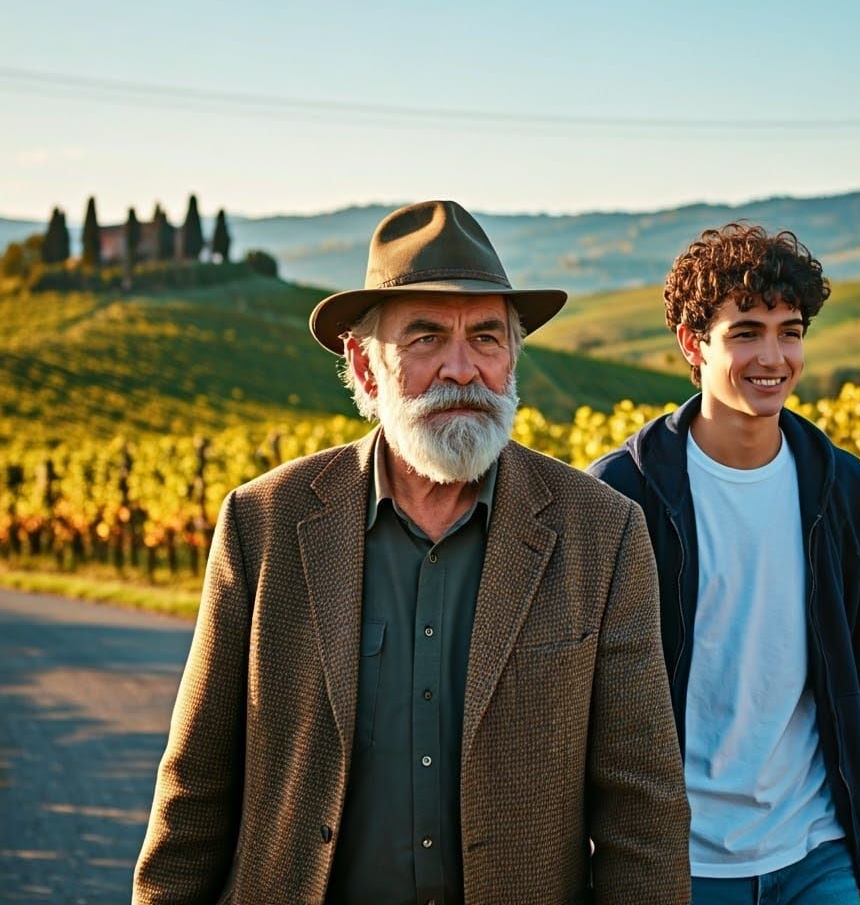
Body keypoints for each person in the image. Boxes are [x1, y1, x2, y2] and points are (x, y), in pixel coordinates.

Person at [133, 200, 690, 905]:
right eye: (426, 339)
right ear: (364, 367)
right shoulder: (265, 523)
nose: (463, 369)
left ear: (512, 357)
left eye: (486, 337)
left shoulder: (600, 533)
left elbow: (642, 810)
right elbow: (196, 788)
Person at [589, 223, 860, 905]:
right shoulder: (622, 495)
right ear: (693, 343)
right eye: (746, 333)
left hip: (815, 854)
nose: (773, 357)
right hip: (676, 863)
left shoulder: (844, 490)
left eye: (789, 332)